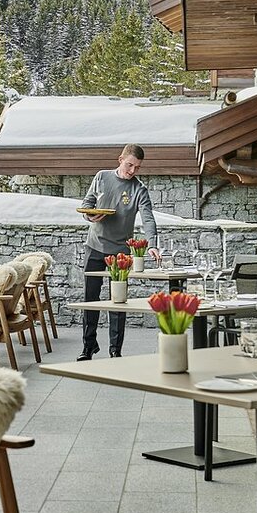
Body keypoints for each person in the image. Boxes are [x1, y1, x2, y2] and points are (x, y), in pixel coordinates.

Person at [79, 144, 161, 360]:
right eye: (130, 165)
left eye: (137, 167)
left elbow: (148, 218)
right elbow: (87, 203)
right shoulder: (101, 177)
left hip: (120, 255)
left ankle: (115, 350)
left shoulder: (139, 189)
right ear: (120, 159)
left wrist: (152, 244)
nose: (133, 171)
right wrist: (89, 216)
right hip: (94, 247)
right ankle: (88, 347)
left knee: (118, 303)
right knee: (90, 300)